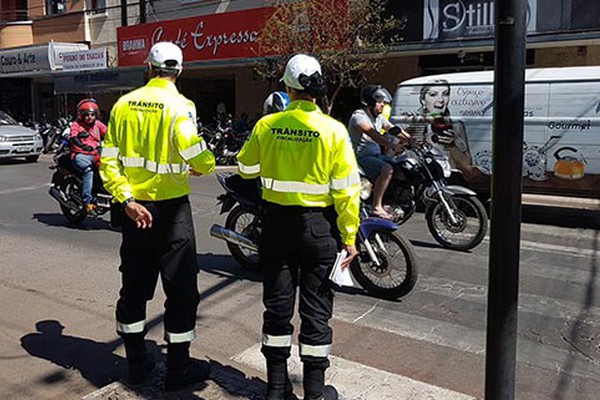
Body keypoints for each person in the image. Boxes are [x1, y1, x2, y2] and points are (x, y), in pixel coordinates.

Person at [237, 54, 360, 400]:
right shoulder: (334, 131)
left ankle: (276, 390)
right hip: (319, 230)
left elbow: (245, 169)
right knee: (316, 311)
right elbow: (348, 192)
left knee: (277, 308)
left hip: (276, 227)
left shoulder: (267, 125)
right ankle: (316, 394)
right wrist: (349, 237)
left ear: (288, 88)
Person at [99, 41, 216, 391]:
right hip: (172, 213)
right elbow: (193, 149)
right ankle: (177, 371)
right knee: (181, 292)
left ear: (149, 68)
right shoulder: (181, 106)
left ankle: (136, 367)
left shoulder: (122, 105)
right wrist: (204, 165)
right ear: (179, 71)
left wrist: (126, 200)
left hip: (135, 211)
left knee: (133, 290)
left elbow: (108, 161)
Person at [347, 84, 410, 219]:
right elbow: (373, 133)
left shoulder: (379, 118)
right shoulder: (359, 117)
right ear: (369, 102)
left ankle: (392, 201)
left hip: (376, 156)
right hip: (360, 159)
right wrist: (393, 146)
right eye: (379, 102)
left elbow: (392, 129)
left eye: (383, 102)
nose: (383, 105)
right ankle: (377, 206)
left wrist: (411, 139)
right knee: (387, 169)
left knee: (402, 167)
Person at [408, 79, 483, 182]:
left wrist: (452, 145)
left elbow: (467, 166)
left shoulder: (456, 125)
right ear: (423, 101)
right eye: (433, 94)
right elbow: (395, 153)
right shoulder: (414, 123)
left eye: (445, 94)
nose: (441, 100)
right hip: (422, 177)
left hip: (448, 177)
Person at [69, 98, 107, 215]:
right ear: (81, 115)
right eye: (86, 115)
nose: (89, 117)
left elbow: (109, 133)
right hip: (80, 154)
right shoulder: (76, 125)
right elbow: (73, 137)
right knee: (88, 170)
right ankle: (87, 201)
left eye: (92, 114)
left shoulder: (98, 124)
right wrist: (82, 145)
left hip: (96, 153)